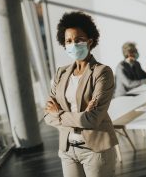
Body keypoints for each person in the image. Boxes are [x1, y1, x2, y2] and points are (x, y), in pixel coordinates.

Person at [44, 11, 118, 177]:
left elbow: (92, 119)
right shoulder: (60, 73)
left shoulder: (102, 72)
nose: (73, 44)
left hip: (95, 150)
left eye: (78, 40)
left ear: (90, 41)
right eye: (68, 41)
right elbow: (47, 116)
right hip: (67, 149)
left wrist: (59, 114)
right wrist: (81, 116)